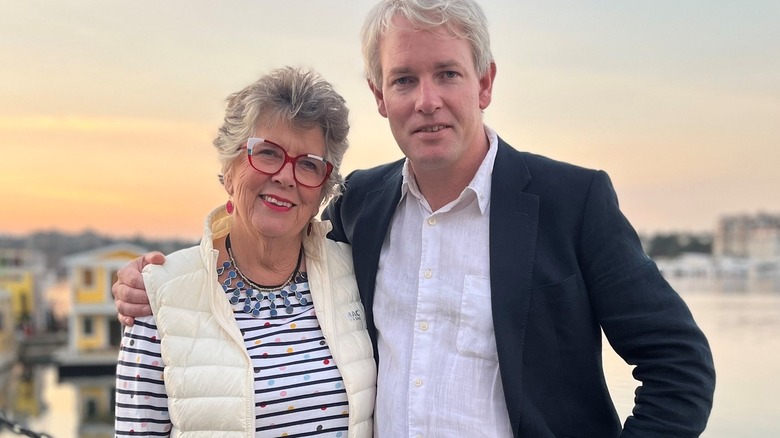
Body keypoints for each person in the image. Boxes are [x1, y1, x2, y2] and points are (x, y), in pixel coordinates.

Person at [114, 0, 716, 436]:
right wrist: (165, 278)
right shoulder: (361, 207)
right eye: (404, 79)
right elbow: (270, 232)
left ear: (484, 83)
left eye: (447, 73)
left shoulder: (571, 201)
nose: (426, 99)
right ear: (380, 97)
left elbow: (679, 365)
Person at [113, 67, 376, 437]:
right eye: (267, 153)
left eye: (308, 165)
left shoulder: (355, 275)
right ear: (229, 166)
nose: (286, 176)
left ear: (323, 190)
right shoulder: (161, 297)